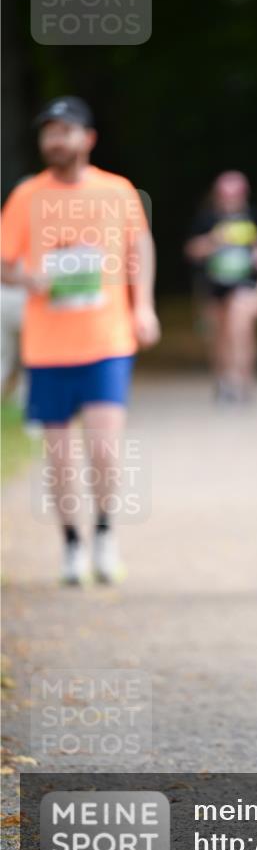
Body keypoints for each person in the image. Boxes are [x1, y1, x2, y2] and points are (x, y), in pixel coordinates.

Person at [1, 96, 160, 584]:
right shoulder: (27, 195)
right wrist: (28, 279)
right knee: (60, 456)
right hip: (48, 345)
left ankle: (106, 533)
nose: (55, 139)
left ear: (87, 138)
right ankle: (71, 542)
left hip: (106, 339)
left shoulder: (117, 192)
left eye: (65, 130)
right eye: (48, 131)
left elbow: (139, 245)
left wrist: (144, 305)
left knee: (104, 448)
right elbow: (5, 261)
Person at [184, 171, 257, 402]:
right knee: (219, 335)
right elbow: (192, 250)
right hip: (213, 284)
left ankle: (242, 381)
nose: (230, 200)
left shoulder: (253, 216)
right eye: (225, 195)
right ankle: (223, 381)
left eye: (235, 195)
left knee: (240, 329)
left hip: (244, 282)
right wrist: (214, 240)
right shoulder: (207, 219)